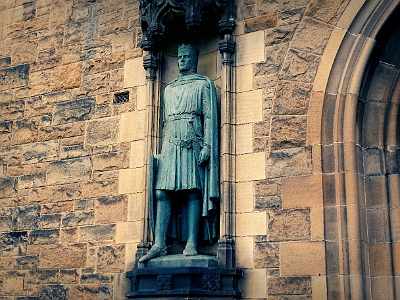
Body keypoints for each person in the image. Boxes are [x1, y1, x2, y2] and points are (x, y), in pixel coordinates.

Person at [139, 44, 219, 263]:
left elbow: (210, 118)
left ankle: (192, 241)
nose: (182, 60)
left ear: (193, 58)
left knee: (193, 191)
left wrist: (208, 146)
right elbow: (163, 122)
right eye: (180, 57)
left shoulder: (203, 84)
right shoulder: (169, 88)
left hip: (192, 143)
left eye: (186, 57)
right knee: (162, 192)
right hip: (170, 144)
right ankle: (159, 243)